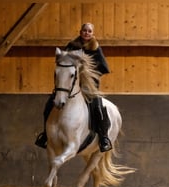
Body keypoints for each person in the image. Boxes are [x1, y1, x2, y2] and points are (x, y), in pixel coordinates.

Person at [35, 22, 112, 152]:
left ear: (93, 34)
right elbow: (63, 62)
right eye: (84, 30)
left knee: (98, 106)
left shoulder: (96, 48)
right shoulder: (71, 46)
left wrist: (87, 72)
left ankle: (104, 138)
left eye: (89, 31)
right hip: (69, 85)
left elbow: (104, 68)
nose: (86, 33)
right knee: (49, 104)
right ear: (80, 31)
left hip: (88, 85)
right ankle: (45, 135)